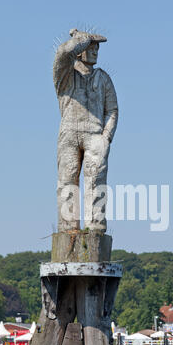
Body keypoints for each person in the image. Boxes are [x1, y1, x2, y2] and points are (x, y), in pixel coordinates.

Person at [53, 28, 118, 232]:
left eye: (96, 47)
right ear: (79, 49)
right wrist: (80, 40)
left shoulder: (103, 78)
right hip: (69, 133)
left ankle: (95, 225)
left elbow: (113, 110)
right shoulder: (66, 75)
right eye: (90, 47)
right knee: (67, 178)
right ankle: (68, 227)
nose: (95, 50)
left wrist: (106, 136)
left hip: (94, 133)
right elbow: (62, 55)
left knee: (96, 178)